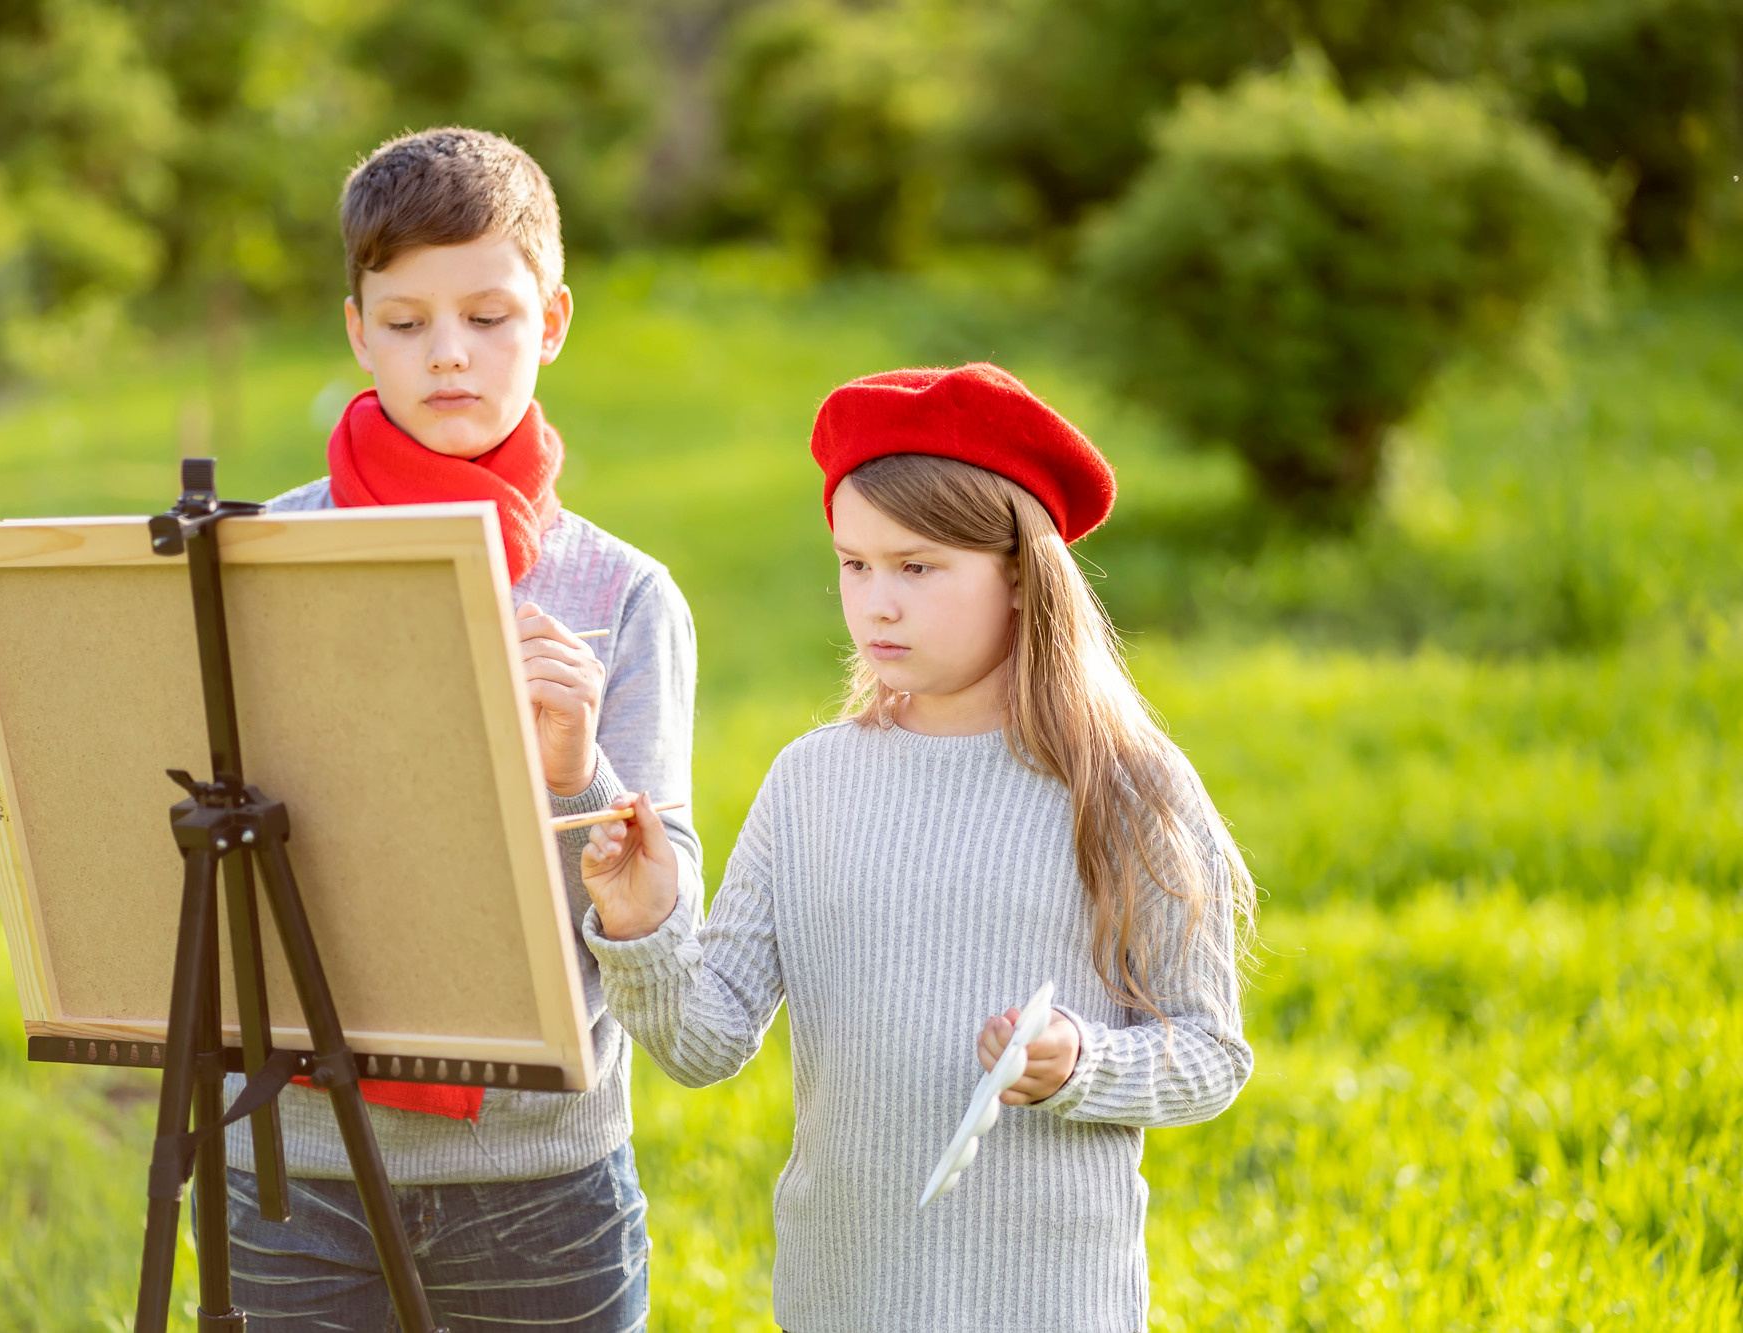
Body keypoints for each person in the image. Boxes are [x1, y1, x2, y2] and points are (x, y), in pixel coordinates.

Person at [579, 364, 1256, 1332]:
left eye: (917, 566)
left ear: (1020, 575)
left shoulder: (1123, 788)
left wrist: (1077, 1065)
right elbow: (705, 1041)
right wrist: (640, 920)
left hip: (1051, 1303)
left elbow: (1207, 1053)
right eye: (854, 565)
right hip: (840, 1295)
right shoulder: (809, 781)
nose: (875, 603)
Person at [223, 126, 699, 1332]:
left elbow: (661, 928)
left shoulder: (623, 598)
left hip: (539, 1182)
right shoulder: (255, 557)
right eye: (405, 321)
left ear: (551, 322)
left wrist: (571, 772)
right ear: (355, 330)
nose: (448, 355)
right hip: (295, 1170)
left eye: (489, 317)